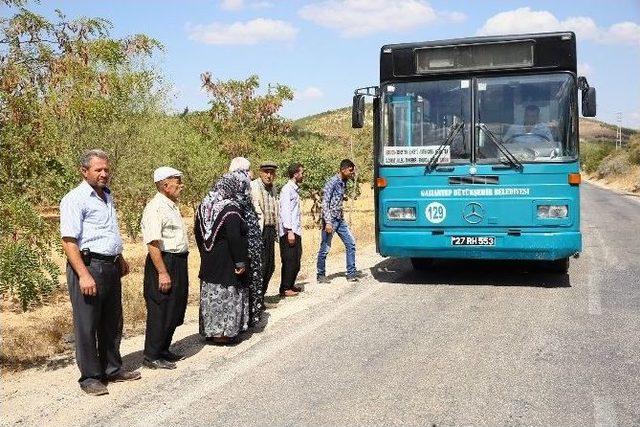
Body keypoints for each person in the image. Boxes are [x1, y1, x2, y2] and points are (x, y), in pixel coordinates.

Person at [60, 149, 141, 396]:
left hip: (110, 265)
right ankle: (91, 377)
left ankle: (112, 368)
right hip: (88, 265)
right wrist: (84, 274)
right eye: (99, 170)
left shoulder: (107, 195)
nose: (104, 174)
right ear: (85, 171)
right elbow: (69, 241)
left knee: (112, 321)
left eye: (107, 169)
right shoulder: (75, 199)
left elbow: (107, 231)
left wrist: (120, 257)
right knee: (87, 323)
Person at [195, 168, 263, 344]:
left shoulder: (205, 205)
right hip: (227, 260)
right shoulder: (231, 208)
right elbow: (234, 237)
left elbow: (197, 234)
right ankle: (224, 333)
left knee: (211, 295)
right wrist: (240, 261)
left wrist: (205, 253)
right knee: (227, 295)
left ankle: (211, 331)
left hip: (209, 260)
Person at [140, 166, 189, 370]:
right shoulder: (155, 207)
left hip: (178, 261)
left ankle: (163, 349)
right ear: (166, 184)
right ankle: (152, 355)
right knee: (161, 307)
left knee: (175, 306)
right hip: (164, 262)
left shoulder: (171, 205)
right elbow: (153, 243)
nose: (181, 185)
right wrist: (162, 272)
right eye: (177, 181)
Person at [316, 159, 362, 283]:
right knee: (325, 248)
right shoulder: (332, 182)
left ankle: (351, 273)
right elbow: (325, 203)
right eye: (350, 170)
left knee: (351, 244)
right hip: (330, 220)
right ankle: (320, 275)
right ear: (343, 169)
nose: (352, 173)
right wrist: (328, 222)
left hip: (340, 219)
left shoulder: (343, 182)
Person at [250, 162, 279, 297]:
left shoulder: (273, 189)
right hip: (259, 231)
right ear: (260, 172)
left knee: (270, 266)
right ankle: (256, 299)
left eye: (271, 173)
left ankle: (260, 296)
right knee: (260, 266)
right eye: (266, 172)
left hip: (270, 230)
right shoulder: (253, 186)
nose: (269, 175)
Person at [278, 162, 304, 297]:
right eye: (301, 172)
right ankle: (285, 288)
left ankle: (291, 284)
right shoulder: (286, 189)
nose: (303, 175)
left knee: (296, 260)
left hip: (295, 230)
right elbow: (285, 211)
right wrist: (289, 231)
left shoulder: (294, 189)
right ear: (295, 174)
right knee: (289, 260)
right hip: (289, 231)